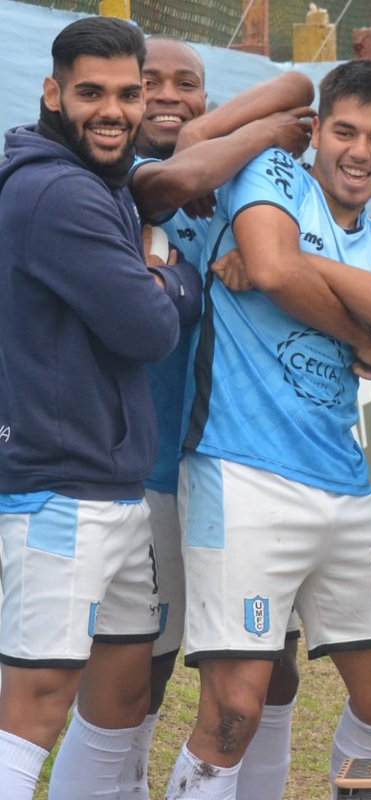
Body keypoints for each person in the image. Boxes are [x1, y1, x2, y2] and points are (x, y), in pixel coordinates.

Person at [165, 59, 371, 800]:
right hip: (239, 472)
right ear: (318, 132)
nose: (360, 152)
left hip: (343, 483)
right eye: (345, 131)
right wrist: (363, 335)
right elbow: (276, 273)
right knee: (234, 710)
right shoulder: (273, 171)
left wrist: (295, 262)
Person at [0, 17, 201, 799]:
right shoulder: (56, 192)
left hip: (112, 486)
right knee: (36, 704)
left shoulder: (95, 181)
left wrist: (151, 274)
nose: (112, 111)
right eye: (91, 93)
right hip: (58, 489)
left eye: (127, 93)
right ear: (53, 93)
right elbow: (148, 328)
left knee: (120, 695)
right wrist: (173, 274)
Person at [124, 36, 316, 799]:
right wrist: (250, 137)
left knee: (272, 666)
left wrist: (215, 146)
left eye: (189, 83)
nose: (171, 96)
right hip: (148, 470)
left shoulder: (229, 182)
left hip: (239, 468)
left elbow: (298, 81)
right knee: (142, 670)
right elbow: (173, 180)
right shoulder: (119, 180)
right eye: (151, 83)